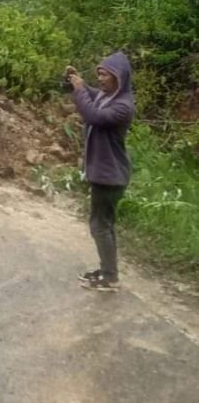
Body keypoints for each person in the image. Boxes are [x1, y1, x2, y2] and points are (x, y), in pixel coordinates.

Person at [65, 52, 135, 291]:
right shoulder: (110, 97)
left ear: (119, 78)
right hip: (107, 173)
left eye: (105, 75)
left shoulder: (123, 107)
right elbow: (93, 96)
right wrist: (80, 82)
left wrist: (79, 90)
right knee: (104, 224)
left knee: (99, 226)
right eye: (100, 74)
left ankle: (109, 276)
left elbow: (93, 115)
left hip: (110, 176)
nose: (101, 79)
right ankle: (108, 271)